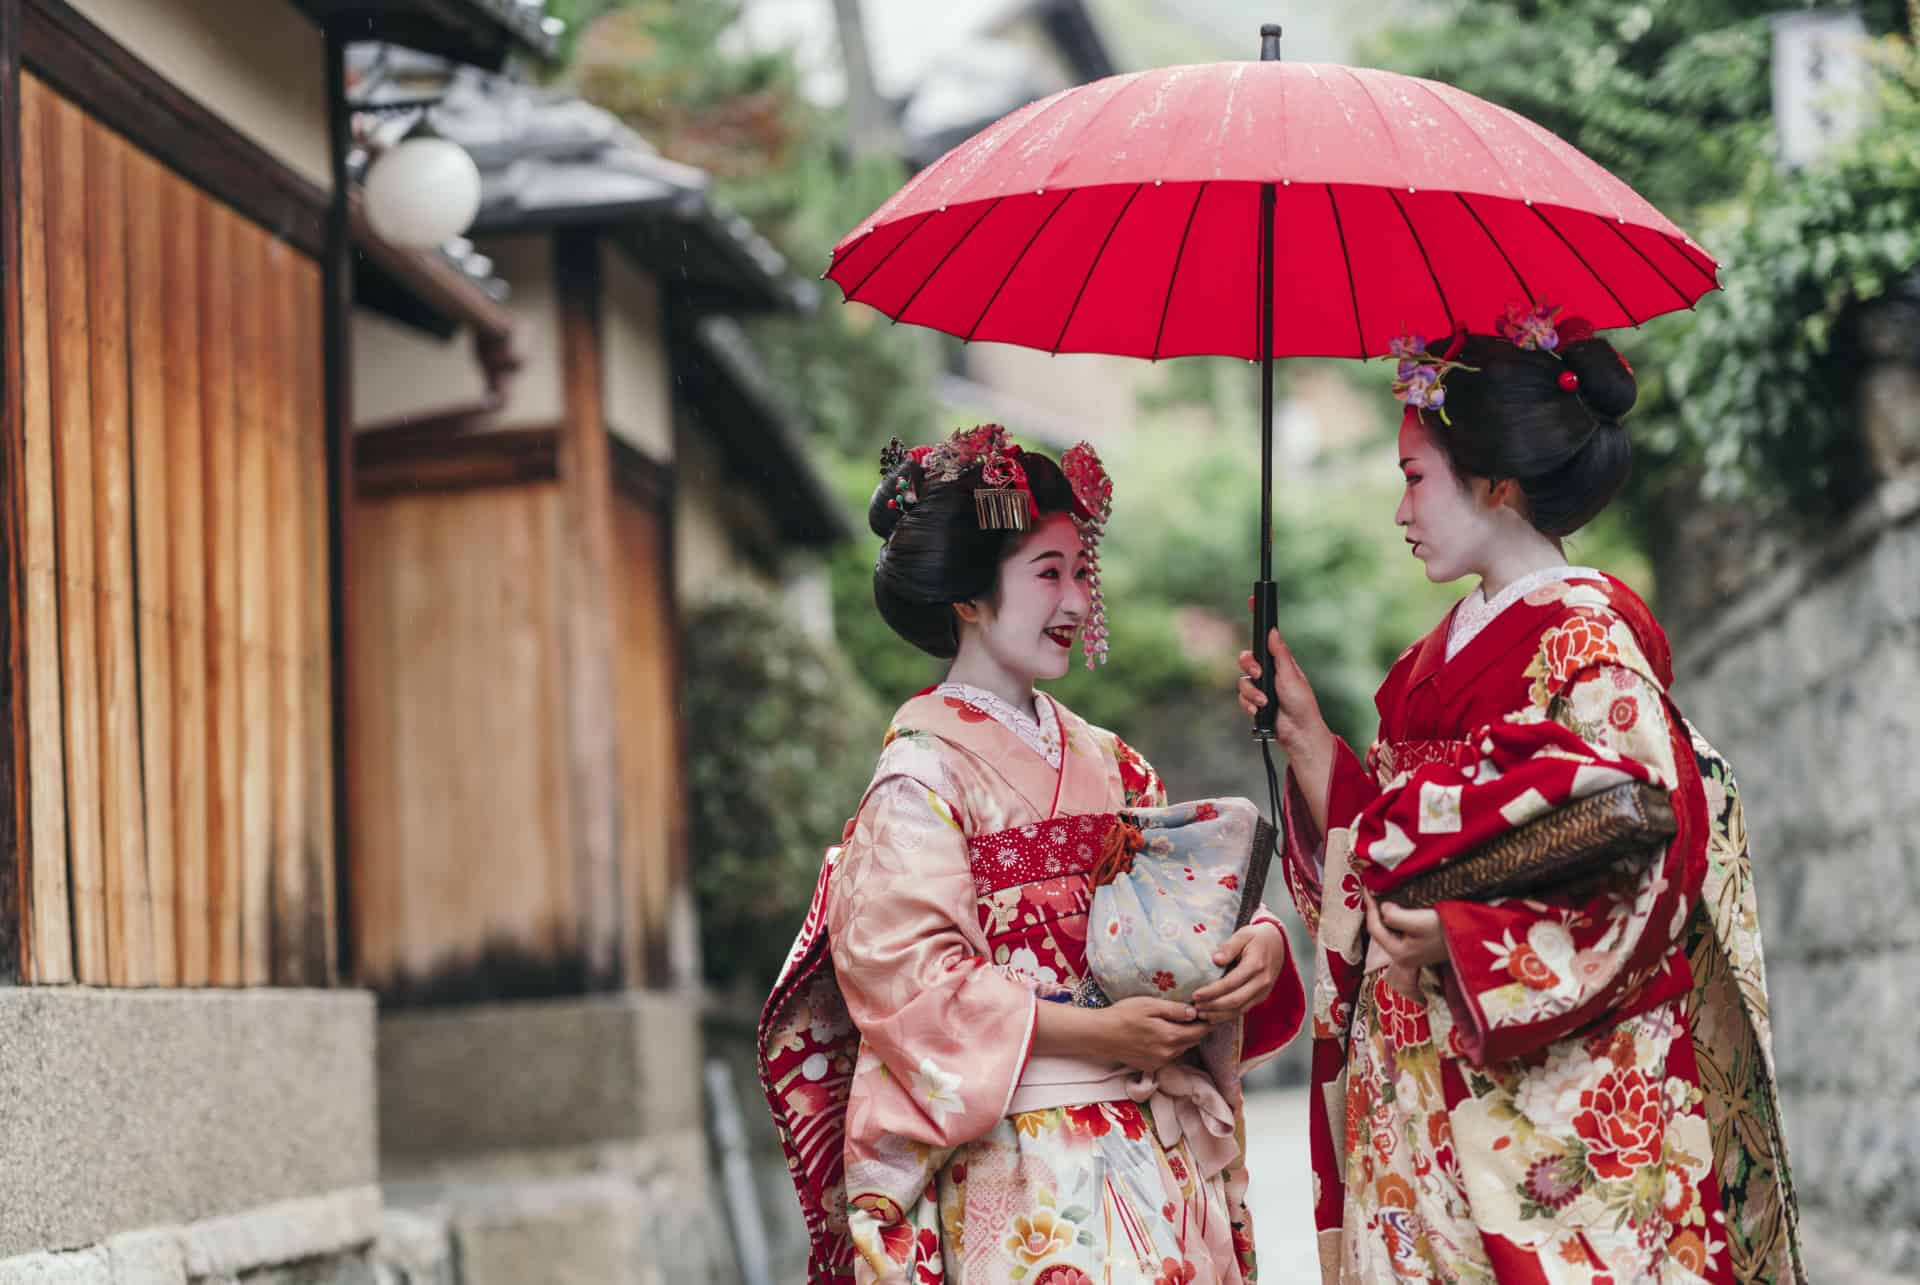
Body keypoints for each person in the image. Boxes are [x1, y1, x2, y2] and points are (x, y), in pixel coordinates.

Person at [1236, 305, 1803, 1284]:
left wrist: (1462, 934)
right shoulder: (1429, 661)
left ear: (1496, 482)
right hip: (1415, 1079)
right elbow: (1394, 836)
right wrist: (1307, 746)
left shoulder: (1586, 638)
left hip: (1529, 1086)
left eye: (1415, 478)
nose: (1402, 510)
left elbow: (1654, 847)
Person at [761, 426, 1305, 1285]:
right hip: (1015, 1157)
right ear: (968, 597)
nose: (1078, 601)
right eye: (1048, 573)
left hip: (1147, 1141)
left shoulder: (1109, 760)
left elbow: (1175, 903)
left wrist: (1260, 939)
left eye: (1081, 572)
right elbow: (913, 984)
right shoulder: (919, 772)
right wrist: (1099, 1030)